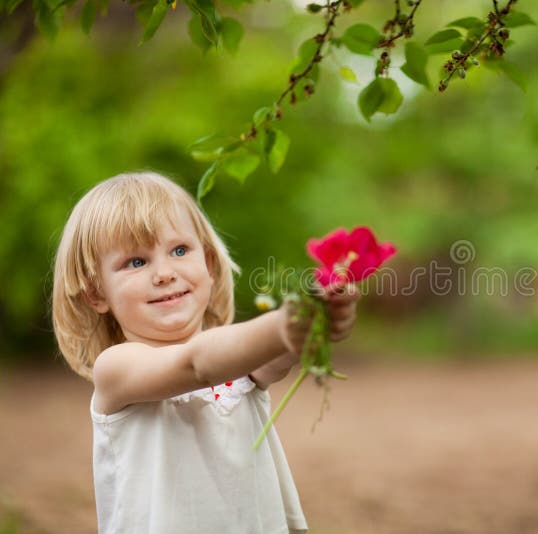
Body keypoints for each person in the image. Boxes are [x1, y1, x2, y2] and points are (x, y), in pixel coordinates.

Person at [51, 171, 359, 533]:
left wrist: (318, 320)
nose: (164, 273)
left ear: (209, 265)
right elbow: (196, 365)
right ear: (97, 293)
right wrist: (281, 326)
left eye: (179, 250)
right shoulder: (117, 368)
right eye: (136, 262)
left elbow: (273, 358)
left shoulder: (237, 356)